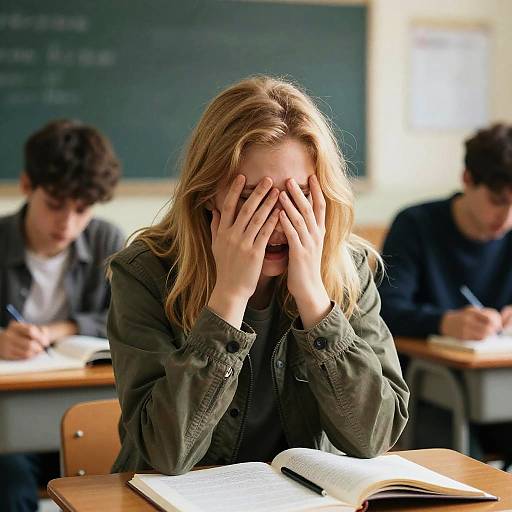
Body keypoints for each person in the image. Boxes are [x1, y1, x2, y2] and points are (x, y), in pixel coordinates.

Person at [108, 76, 409, 475]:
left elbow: (374, 437)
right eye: (253, 199)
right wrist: (229, 298)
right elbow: (166, 454)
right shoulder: (143, 273)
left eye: (298, 195)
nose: (279, 222)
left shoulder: (346, 268)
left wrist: (316, 305)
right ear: (207, 195)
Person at [0, 119, 124, 512]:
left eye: (81, 210)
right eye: (54, 205)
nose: (67, 224)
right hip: (9, 427)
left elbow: (124, 317)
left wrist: (59, 329)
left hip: (86, 414)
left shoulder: (107, 239)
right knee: (11, 491)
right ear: (26, 186)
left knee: (118, 482)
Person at [379, 123, 512, 463]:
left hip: (500, 386)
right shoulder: (415, 225)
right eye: (498, 201)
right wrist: (445, 322)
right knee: (455, 465)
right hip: (428, 390)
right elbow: (385, 312)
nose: (507, 217)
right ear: (467, 179)